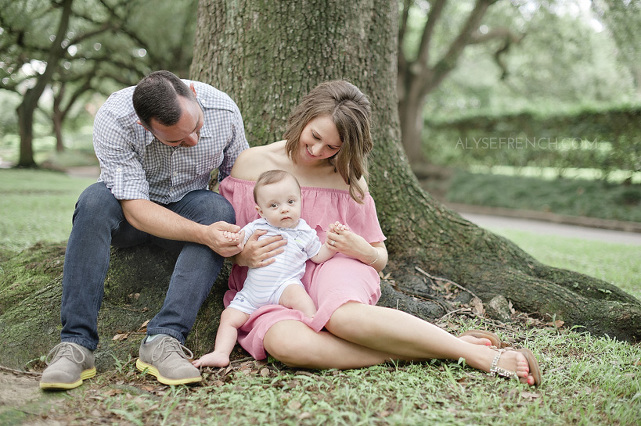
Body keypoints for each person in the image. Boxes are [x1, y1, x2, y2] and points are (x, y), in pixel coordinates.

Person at [215, 80, 542, 386]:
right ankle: (448, 345)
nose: (316, 151)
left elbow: (379, 258)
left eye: (331, 146)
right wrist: (242, 254)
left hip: (334, 268)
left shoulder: (349, 182)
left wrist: (361, 248)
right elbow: (230, 237)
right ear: (303, 116)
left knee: (343, 319)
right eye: (314, 136)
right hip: (273, 284)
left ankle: (479, 355)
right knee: (286, 345)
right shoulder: (252, 165)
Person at [39, 70, 249, 390]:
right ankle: (76, 345)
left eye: (196, 127)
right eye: (177, 139)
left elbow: (239, 182)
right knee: (92, 201)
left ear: (192, 93)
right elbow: (136, 209)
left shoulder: (224, 111)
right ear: (144, 126)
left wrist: (244, 239)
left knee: (218, 209)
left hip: (187, 206)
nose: (192, 140)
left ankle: (164, 340)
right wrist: (203, 234)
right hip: (128, 213)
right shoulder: (115, 118)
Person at [194, 169, 345, 368]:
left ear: (301, 201)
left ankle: (315, 332)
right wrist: (232, 239)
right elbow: (237, 245)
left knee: (302, 300)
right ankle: (221, 353)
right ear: (260, 211)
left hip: (285, 286)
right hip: (252, 293)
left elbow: (318, 255)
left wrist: (332, 245)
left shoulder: (304, 232)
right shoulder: (256, 227)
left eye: (290, 202)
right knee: (228, 317)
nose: (284, 209)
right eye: (274, 205)